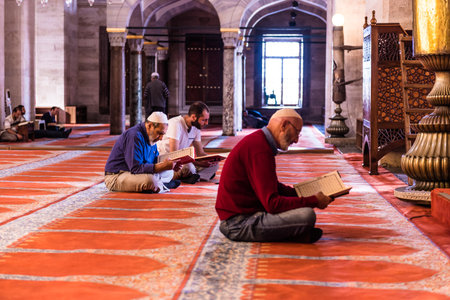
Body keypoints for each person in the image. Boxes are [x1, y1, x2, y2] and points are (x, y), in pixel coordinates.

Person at [215, 108, 333, 243]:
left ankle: (296, 234)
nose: (296, 140)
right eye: (297, 133)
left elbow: (273, 187)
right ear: (284, 125)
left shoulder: (260, 142)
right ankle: (295, 234)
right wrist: (314, 201)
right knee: (307, 215)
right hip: (238, 224)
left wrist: (299, 192)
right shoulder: (259, 149)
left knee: (303, 212)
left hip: (246, 215)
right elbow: (272, 204)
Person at [104, 111, 181, 193]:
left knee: (169, 173)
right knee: (150, 180)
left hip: (135, 173)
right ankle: (160, 185)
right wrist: (162, 167)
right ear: (150, 125)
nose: (161, 138)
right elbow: (135, 168)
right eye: (159, 133)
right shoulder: (134, 136)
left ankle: (157, 186)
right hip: (117, 176)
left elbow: (154, 162)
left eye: (163, 134)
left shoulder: (152, 137)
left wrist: (169, 165)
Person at [157, 101, 219, 184]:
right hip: (169, 161)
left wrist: (213, 158)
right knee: (189, 167)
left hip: (182, 160)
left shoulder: (196, 127)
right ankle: (192, 175)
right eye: (204, 120)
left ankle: (194, 176)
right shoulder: (176, 124)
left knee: (214, 165)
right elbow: (174, 155)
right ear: (193, 117)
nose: (206, 123)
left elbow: (200, 153)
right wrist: (197, 163)